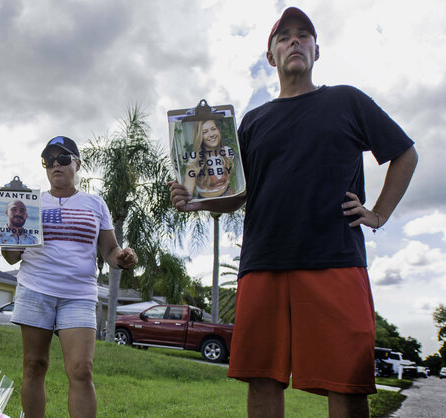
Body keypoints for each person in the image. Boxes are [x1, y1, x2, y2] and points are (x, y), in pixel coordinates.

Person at [169, 7, 417, 417]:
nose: (295, 41)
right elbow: (237, 195)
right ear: (271, 56)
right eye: (284, 37)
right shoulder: (252, 121)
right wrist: (196, 200)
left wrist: (378, 213)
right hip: (263, 261)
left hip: (334, 261)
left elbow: (404, 153)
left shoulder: (347, 100)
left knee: (348, 381)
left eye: (304, 35)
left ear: (317, 50)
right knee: (262, 378)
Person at [0, 135, 138, 418]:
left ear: (77, 164)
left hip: (78, 295)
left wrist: (123, 258)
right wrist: (2, 238)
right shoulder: (30, 203)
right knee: (34, 365)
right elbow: (12, 257)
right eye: (49, 160)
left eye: (63, 159)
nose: (56, 165)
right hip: (35, 290)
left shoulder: (95, 204)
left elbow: (110, 251)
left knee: (81, 369)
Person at [182, 119, 236, 199]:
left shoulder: (226, 151)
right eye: (205, 132)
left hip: (228, 197)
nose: (211, 134)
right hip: (206, 204)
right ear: (200, 137)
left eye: (213, 129)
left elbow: (232, 176)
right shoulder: (195, 158)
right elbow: (187, 194)